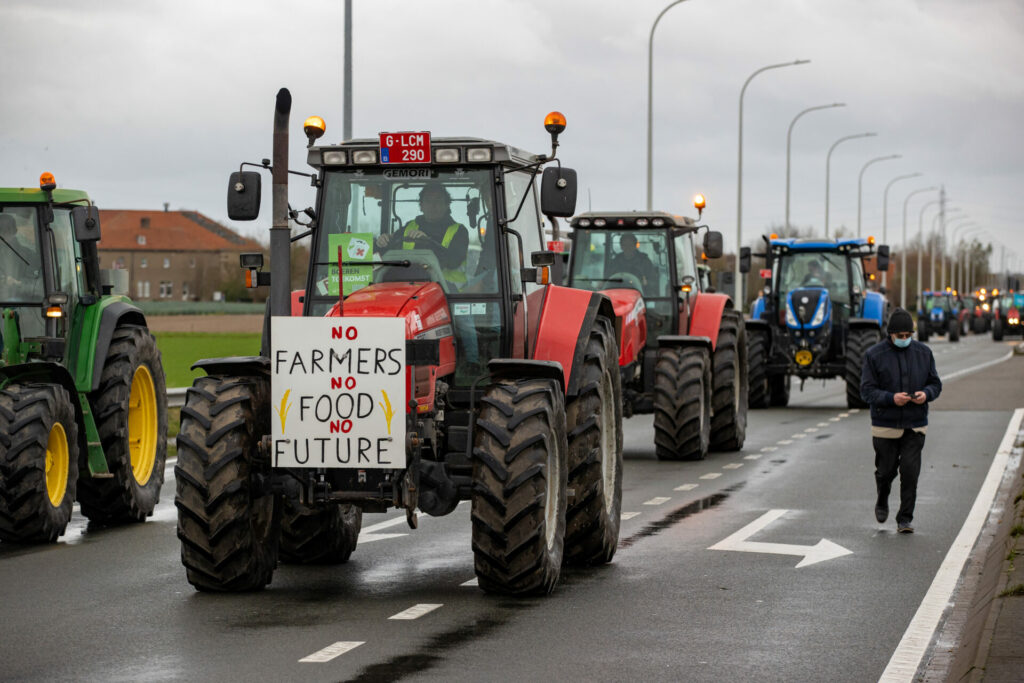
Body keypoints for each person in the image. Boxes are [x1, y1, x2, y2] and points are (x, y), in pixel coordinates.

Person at [860, 308, 942, 533]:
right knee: (885, 471)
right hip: (885, 424)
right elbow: (866, 391)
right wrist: (890, 398)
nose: (905, 339)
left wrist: (926, 393)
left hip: (915, 424)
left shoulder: (924, 353)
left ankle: (905, 518)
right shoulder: (874, 355)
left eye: (908, 335)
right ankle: (882, 497)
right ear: (891, 335)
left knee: (910, 472)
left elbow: (936, 383)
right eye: (900, 336)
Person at [375, 184, 469, 289]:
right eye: (428, 201)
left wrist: (427, 242)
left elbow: (453, 261)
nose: (433, 205)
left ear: (447, 205)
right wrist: (383, 242)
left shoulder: (459, 231)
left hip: (448, 293)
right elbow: (387, 252)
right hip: (409, 289)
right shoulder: (409, 227)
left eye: (438, 200)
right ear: (421, 205)